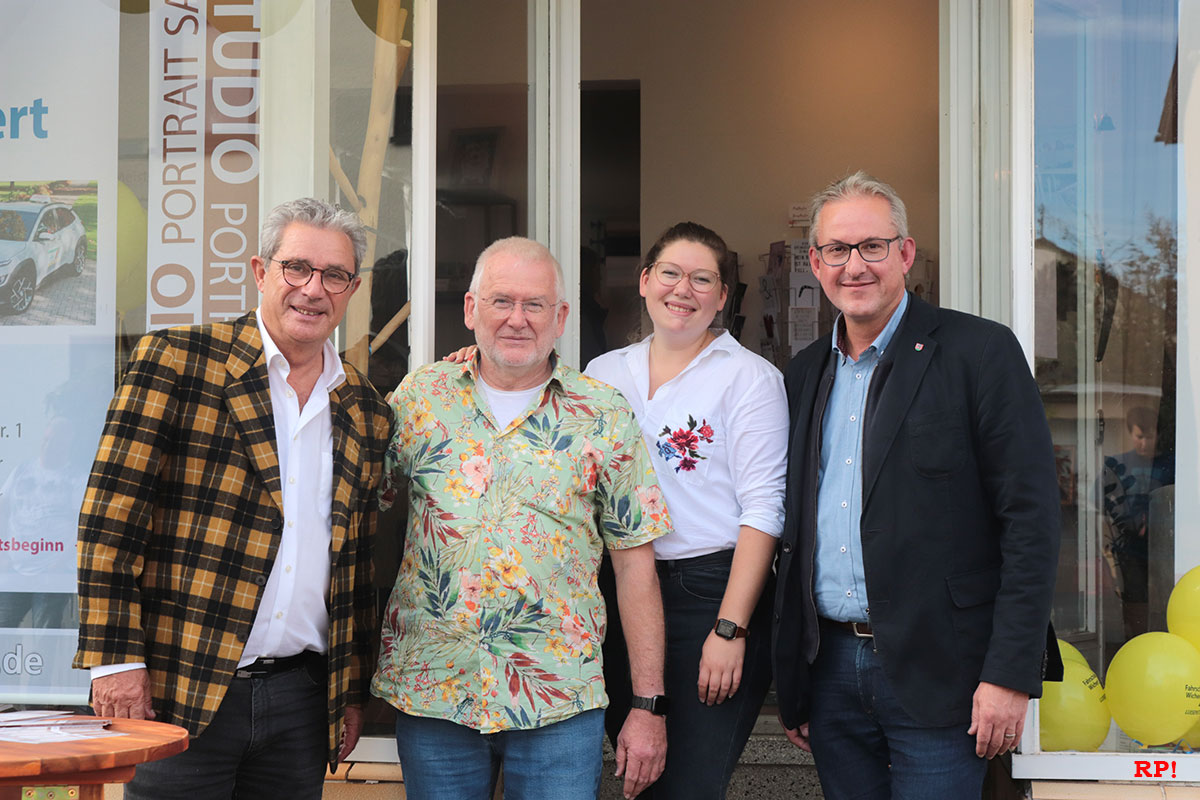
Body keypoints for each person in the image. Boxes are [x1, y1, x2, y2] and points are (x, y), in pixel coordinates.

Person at [74, 198, 393, 799]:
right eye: (296, 267)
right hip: (181, 686)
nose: (312, 289)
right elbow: (108, 522)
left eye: (334, 275)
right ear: (260, 271)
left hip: (300, 700)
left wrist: (350, 691)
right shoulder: (176, 361)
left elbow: (354, 567)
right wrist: (115, 663)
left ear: (351, 288)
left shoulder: (367, 410)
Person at [772, 172, 1063, 799]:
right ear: (816, 263)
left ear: (905, 253)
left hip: (945, 672)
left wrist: (1010, 675)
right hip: (829, 674)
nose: (855, 266)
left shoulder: (979, 352)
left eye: (872, 246)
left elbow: (1031, 522)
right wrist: (793, 673)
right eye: (837, 251)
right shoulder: (802, 375)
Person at [374, 236, 671, 800]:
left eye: (534, 305)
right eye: (501, 301)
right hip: (436, 692)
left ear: (560, 317)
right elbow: (358, 510)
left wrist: (648, 704)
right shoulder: (420, 397)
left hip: (559, 698)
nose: (517, 319)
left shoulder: (602, 413)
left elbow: (636, 567)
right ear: (470, 310)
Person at [585, 222, 786, 798]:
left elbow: (764, 510)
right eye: (671, 273)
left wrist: (731, 627)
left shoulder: (749, 379)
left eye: (703, 279)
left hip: (709, 593)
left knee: (691, 784)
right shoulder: (602, 375)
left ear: (723, 297)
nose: (684, 289)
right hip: (619, 593)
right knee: (640, 774)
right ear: (646, 281)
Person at [1100, 405, 1174, 638]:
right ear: (1130, 434)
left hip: (1165, 544)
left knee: (1167, 595)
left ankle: (1165, 638)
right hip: (1130, 545)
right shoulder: (1116, 464)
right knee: (1135, 596)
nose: (1144, 442)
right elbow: (1099, 502)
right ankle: (1138, 638)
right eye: (1138, 437)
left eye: (1149, 437)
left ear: (1158, 435)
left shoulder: (1171, 464)